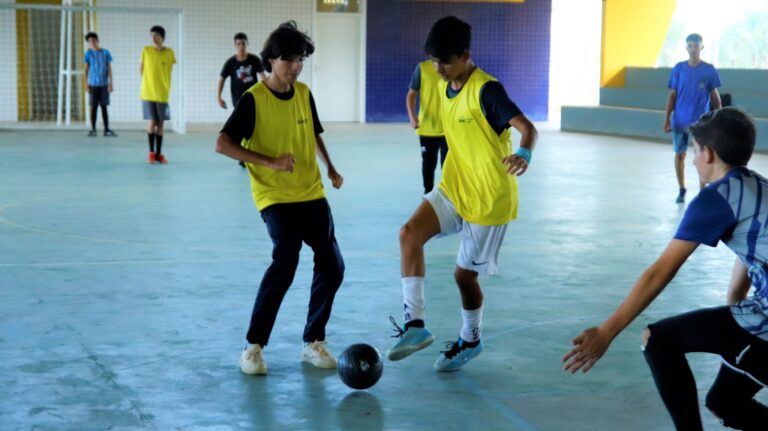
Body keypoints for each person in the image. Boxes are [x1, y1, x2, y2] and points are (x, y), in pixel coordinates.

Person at [564, 108, 768, 430]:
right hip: (758, 317)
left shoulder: (716, 198)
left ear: (709, 153)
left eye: (694, 150)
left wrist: (607, 331)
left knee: (657, 339)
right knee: (724, 404)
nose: (691, 159)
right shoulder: (755, 186)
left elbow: (659, 273)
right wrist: (734, 308)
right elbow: (752, 253)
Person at [386, 16, 538, 372]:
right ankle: (415, 326)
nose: (438, 69)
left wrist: (524, 153)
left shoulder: (487, 90)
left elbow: (527, 128)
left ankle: (471, 339)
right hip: (455, 186)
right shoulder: (442, 84)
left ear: (466, 55)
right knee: (409, 234)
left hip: (488, 196)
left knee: (463, 277)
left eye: (445, 61)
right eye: (434, 61)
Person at [215, 21, 345, 376]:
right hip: (274, 196)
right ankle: (253, 346)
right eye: (290, 59)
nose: (296, 66)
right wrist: (269, 162)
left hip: (311, 191)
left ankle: (313, 341)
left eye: (300, 59)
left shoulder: (303, 93)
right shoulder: (254, 100)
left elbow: (314, 133)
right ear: (271, 60)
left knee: (333, 265)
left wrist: (331, 167)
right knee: (286, 260)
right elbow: (222, 143)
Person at [663, 33, 722, 203]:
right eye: (690, 45)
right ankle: (681, 188)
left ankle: (703, 190)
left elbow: (714, 95)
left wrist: (720, 116)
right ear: (686, 47)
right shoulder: (678, 69)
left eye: (696, 45)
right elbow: (672, 95)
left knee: (702, 156)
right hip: (680, 121)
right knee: (679, 155)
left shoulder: (709, 70)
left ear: (701, 47)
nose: (693, 49)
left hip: (700, 122)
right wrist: (666, 119)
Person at [217, 32, 267, 168]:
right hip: (238, 100)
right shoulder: (231, 62)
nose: (241, 46)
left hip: (255, 99)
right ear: (235, 45)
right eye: (238, 44)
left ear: (247, 44)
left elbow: (263, 77)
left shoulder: (254, 60)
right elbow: (222, 79)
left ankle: (252, 153)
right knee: (241, 129)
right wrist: (219, 97)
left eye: (243, 43)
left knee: (254, 127)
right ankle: (241, 156)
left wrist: (269, 92)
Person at [406, 59, 448, 194]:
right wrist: (413, 117)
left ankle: (448, 194)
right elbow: (411, 95)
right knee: (428, 164)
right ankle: (428, 193)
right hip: (427, 128)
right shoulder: (422, 68)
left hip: (449, 128)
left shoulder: (453, 67)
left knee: (448, 165)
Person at [140, 25, 176, 164]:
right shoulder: (146, 50)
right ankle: (151, 152)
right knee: (152, 121)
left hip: (162, 93)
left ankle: (159, 154)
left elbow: (169, 71)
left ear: (162, 37)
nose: (153, 38)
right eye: (152, 35)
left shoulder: (169, 53)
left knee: (160, 124)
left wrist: (163, 85)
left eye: (156, 35)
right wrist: (149, 83)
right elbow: (141, 70)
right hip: (148, 93)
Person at [83, 32, 117, 137]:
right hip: (93, 84)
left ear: (97, 40)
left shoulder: (106, 52)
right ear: (88, 43)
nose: (91, 42)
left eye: (93, 40)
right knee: (93, 107)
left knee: (104, 107)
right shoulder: (88, 54)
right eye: (89, 41)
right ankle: (93, 129)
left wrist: (110, 83)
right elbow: (86, 71)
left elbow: (109, 69)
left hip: (104, 84)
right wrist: (86, 85)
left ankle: (106, 129)